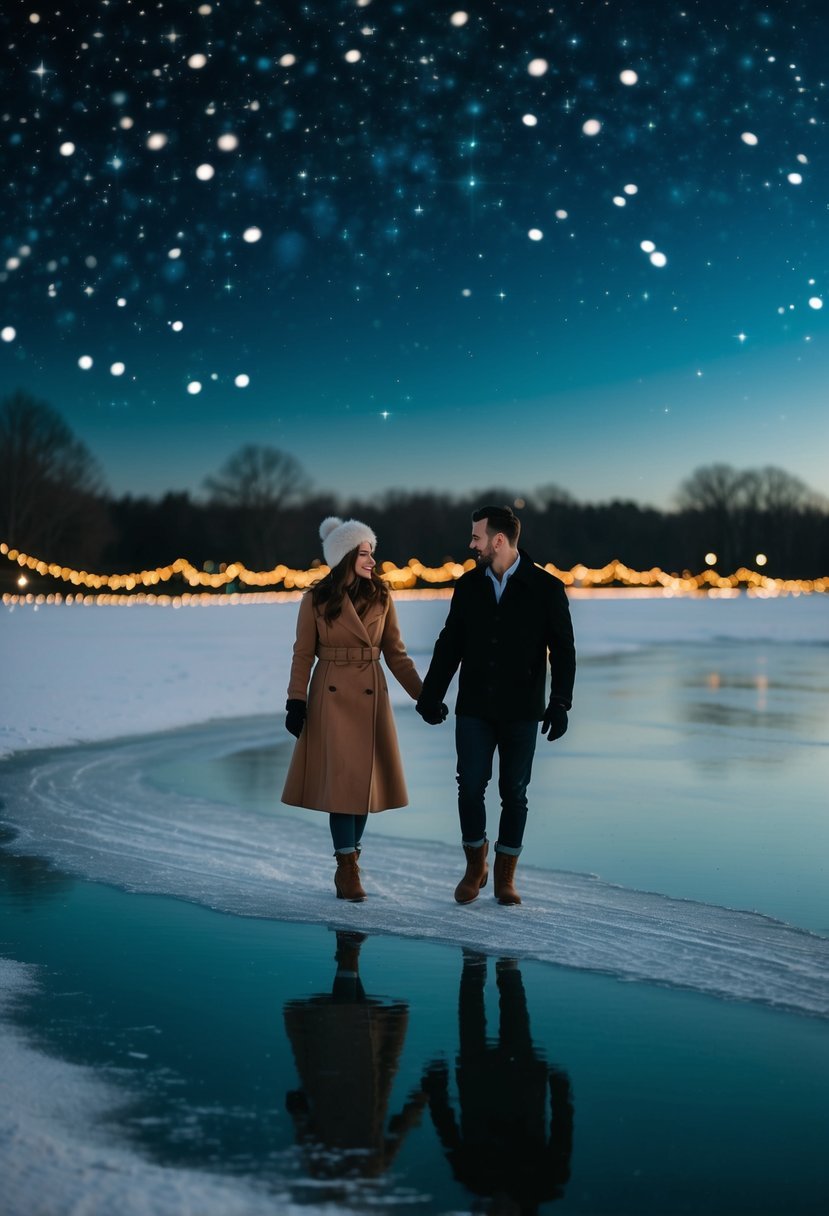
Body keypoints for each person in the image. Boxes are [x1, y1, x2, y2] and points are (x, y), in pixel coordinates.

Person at [416, 505, 575, 906]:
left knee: (514, 792)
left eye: (476, 537)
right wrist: (430, 695)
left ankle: (505, 876)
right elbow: (449, 644)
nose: (471, 544)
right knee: (469, 786)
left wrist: (560, 703)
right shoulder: (468, 586)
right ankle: (475, 866)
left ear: (498, 540)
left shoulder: (546, 588)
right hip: (475, 709)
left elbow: (564, 651)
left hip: (522, 710)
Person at [281, 516, 423, 901]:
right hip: (331, 695)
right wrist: (296, 700)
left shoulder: (382, 595)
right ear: (345, 556)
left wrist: (422, 696)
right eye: (365, 553)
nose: (372, 561)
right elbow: (302, 654)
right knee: (342, 784)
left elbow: (395, 653)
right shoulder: (315, 599)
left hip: (370, 693)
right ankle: (347, 869)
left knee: (361, 785)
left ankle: (351, 859)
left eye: (372, 553)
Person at [421, 949, 573, 1214]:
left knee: (472, 1010)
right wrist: (559, 1091)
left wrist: (436, 1088)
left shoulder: (474, 1180)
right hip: (522, 1087)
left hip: (479, 1086)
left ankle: (476, 962)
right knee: (513, 1009)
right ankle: (507, 963)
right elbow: (562, 1134)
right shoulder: (546, 1183)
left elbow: (448, 1131)